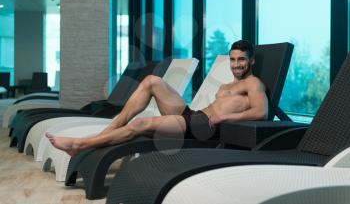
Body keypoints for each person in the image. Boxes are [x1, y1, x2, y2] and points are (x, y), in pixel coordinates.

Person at [46, 40, 268, 157]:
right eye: (232, 59)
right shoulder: (228, 84)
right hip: (194, 116)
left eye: (241, 60)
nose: (236, 64)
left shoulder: (253, 83)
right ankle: (108, 132)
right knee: (152, 80)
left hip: (205, 129)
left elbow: (261, 112)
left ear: (252, 61)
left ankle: (79, 145)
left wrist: (223, 118)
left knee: (140, 124)